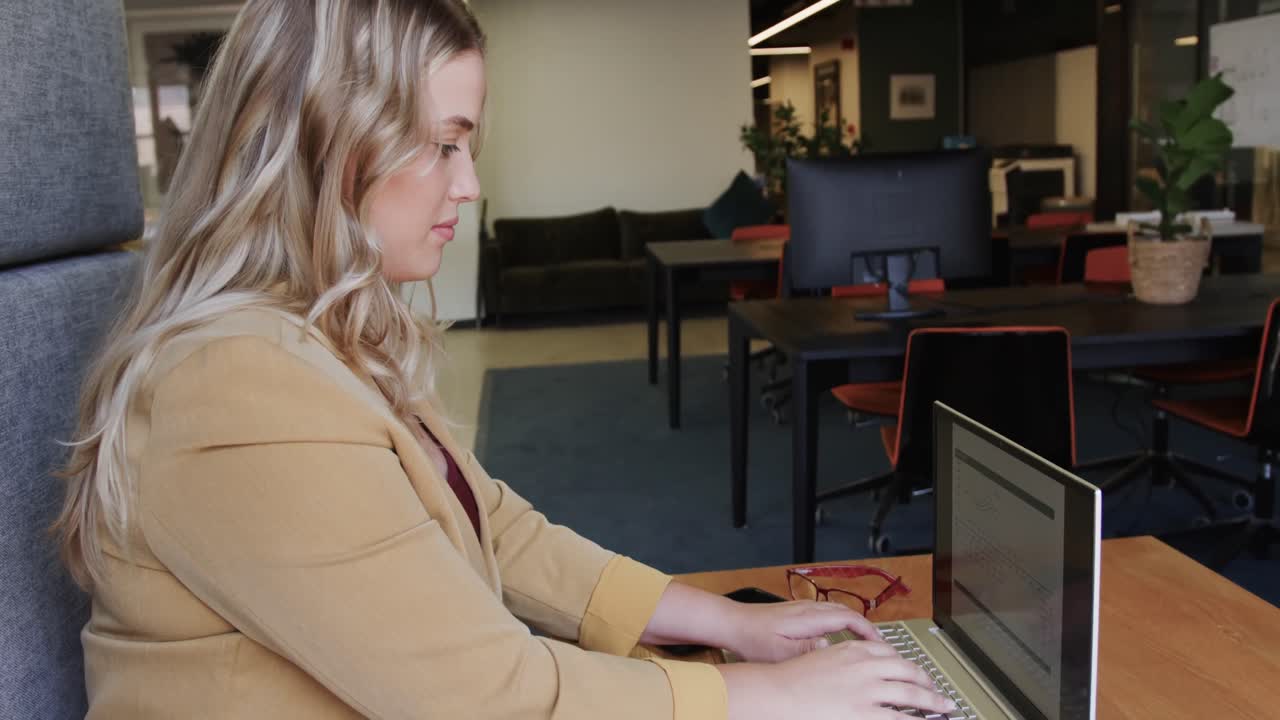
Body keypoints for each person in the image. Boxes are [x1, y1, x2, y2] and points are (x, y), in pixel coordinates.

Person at [54, 2, 956, 718]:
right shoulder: (238, 381)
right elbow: (480, 699)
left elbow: (493, 524)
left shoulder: (314, 338)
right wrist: (761, 698)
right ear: (326, 140)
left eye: (468, 146)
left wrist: (731, 624)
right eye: (442, 143)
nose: (470, 183)